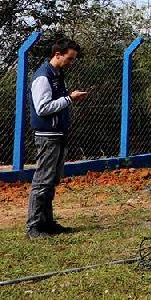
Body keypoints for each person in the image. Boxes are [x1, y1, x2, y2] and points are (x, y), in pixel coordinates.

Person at [27, 37, 88, 240]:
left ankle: (47, 223)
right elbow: (42, 108)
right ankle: (34, 227)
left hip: (58, 134)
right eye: (69, 58)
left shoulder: (57, 74)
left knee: (51, 181)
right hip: (47, 136)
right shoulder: (43, 77)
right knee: (42, 181)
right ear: (58, 54)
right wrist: (69, 99)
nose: (71, 62)